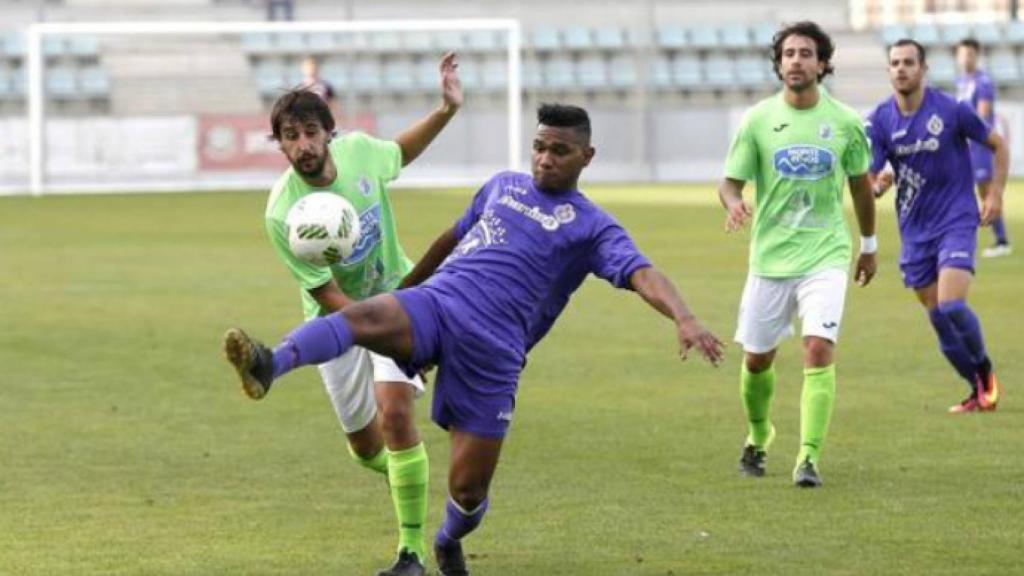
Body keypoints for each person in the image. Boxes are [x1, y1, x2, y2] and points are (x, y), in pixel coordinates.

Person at [224, 103, 725, 575]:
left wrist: (684, 317)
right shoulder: (502, 186)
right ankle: (272, 362)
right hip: (440, 303)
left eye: (560, 151)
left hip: (493, 352)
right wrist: (407, 289)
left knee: (467, 491)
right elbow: (451, 237)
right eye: (539, 147)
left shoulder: (593, 227)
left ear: (586, 157)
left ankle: (447, 538)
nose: (545, 159)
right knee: (361, 318)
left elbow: (641, 273)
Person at [252, 52, 463, 576]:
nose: (303, 145)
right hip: (335, 323)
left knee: (395, 414)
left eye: (310, 132)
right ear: (279, 144)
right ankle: (409, 480)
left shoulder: (362, 153)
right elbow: (325, 293)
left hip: (400, 295)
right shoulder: (282, 213)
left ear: (330, 132)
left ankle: (411, 553)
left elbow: (400, 152)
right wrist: (374, 333)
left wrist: (445, 110)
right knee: (367, 448)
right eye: (290, 136)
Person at [718, 21, 878, 488]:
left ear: (822, 64)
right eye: (788, 53)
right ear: (778, 63)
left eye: (806, 53)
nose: (796, 61)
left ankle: (808, 456)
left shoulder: (846, 122)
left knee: (818, 347)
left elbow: (861, 187)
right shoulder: (758, 120)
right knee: (756, 360)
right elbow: (729, 182)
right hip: (770, 259)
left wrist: (869, 245)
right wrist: (734, 203)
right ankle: (758, 433)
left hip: (826, 255)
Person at [867, 39, 1005, 414]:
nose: (901, 68)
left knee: (952, 305)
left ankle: (986, 372)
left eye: (908, 62)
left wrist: (995, 194)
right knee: (939, 319)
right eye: (895, 63)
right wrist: (878, 184)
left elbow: (999, 145)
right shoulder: (880, 119)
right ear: (889, 70)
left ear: (923, 69)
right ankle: (977, 390)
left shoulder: (951, 110)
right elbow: (871, 174)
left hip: (956, 220)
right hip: (915, 231)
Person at [955, 38, 1011, 258]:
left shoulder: (983, 82)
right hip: (968, 146)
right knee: (976, 191)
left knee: (987, 191)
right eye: (962, 54)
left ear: (977, 56)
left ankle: (1002, 241)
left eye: (969, 54)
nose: (965, 58)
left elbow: (981, 115)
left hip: (980, 145)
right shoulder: (962, 81)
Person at [298, 56, 340, 121]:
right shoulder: (300, 87)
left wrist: (335, 117)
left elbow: (333, 103)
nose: (311, 69)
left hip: (322, 118)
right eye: (309, 67)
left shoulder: (325, 86)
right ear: (304, 69)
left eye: (313, 66)